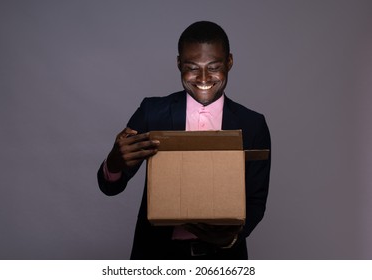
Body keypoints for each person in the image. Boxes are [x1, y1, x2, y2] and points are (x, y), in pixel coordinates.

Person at [97, 21, 271, 259]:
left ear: (229, 62)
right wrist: (114, 164)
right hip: (157, 255)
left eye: (214, 67)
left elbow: (256, 200)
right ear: (179, 63)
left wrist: (232, 237)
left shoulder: (253, 124)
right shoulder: (152, 112)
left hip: (223, 258)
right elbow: (110, 187)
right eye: (191, 67)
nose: (202, 77)